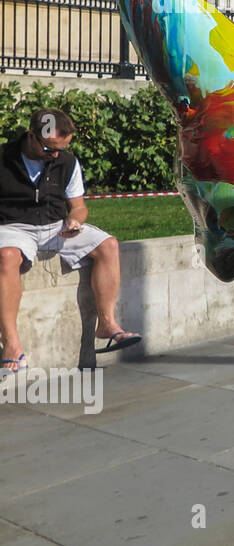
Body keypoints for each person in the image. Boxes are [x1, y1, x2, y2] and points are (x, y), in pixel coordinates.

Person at [1, 108, 141, 376]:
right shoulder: (4, 158)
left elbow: (78, 206)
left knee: (108, 245)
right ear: (31, 135)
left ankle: (107, 324)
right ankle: (10, 343)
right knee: (7, 256)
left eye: (61, 149)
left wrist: (75, 221)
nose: (55, 155)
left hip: (56, 226)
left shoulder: (67, 161)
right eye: (49, 149)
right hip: (14, 226)